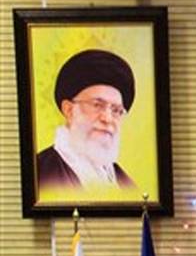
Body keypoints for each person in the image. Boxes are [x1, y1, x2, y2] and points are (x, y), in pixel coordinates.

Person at [36, 49, 139, 194]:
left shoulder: (126, 185)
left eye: (116, 110)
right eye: (97, 105)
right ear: (69, 110)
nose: (107, 119)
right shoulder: (39, 173)